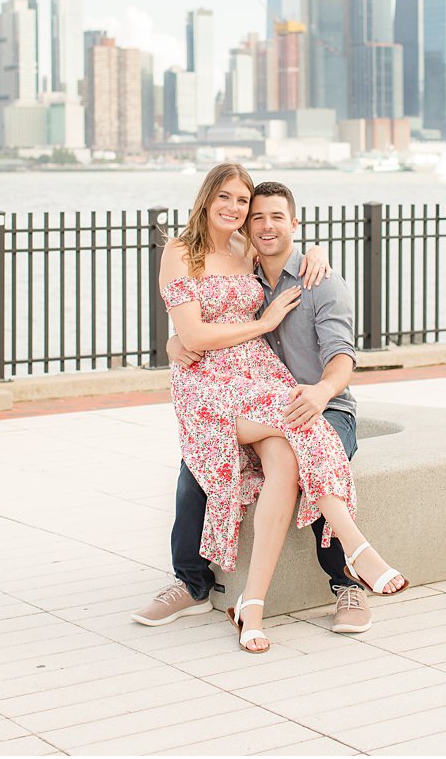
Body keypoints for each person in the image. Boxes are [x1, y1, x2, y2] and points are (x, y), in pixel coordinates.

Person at [134, 164, 406, 653]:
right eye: (230, 200)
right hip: (209, 384)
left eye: (245, 203)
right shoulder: (181, 252)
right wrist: (202, 337)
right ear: (206, 198)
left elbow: (339, 350)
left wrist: (315, 255)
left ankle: (255, 603)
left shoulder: (255, 254)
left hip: (269, 383)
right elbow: (193, 333)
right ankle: (353, 551)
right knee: (199, 468)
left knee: (289, 453)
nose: (239, 212)